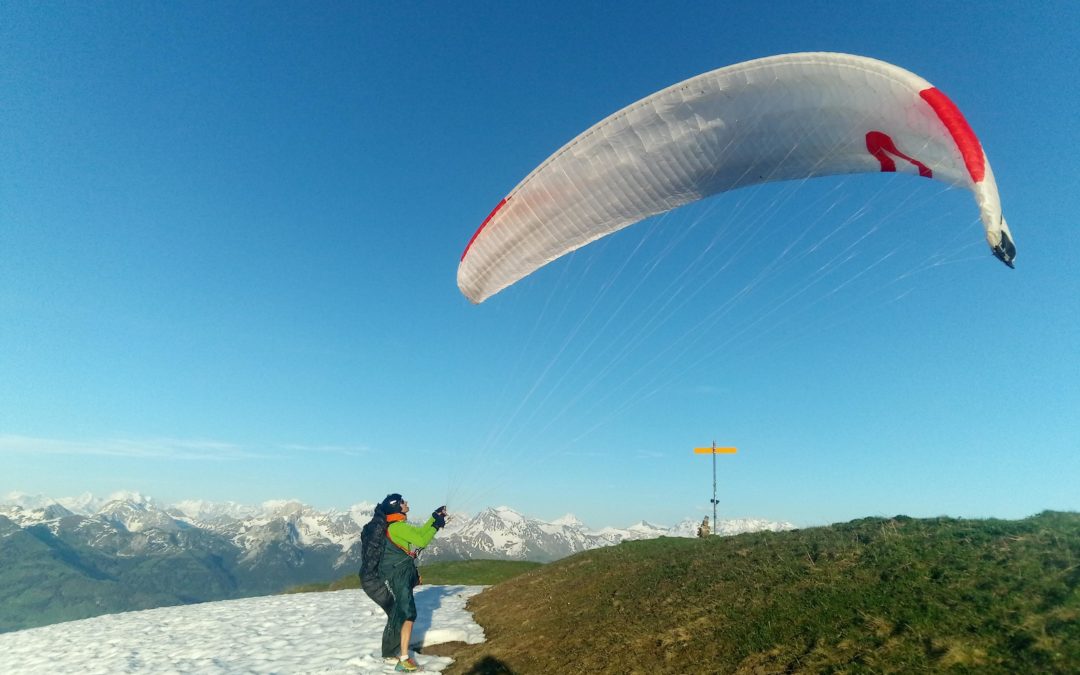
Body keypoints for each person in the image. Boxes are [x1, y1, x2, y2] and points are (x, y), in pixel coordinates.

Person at [361, 493, 447, 673]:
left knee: (399, 614)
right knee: (406, 614)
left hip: (389, 577)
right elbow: (422, 539)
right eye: (402, 502)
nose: (406, 503)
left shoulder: (394, 526)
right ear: (396, 507)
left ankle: (392, 654)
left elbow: (418, 534)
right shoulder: (397, 528)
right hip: (395, 577)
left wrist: (434, 519)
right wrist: (436, 525)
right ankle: (403, 659)